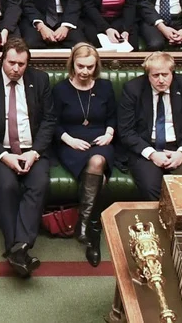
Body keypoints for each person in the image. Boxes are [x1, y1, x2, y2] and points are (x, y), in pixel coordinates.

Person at [0, 38, 55, 279]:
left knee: (38, 183)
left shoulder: (40, 80)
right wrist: (4, 156)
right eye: (11, 63)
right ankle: (18, 248)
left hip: (32, 149)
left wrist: (34, 152)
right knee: (7, 185)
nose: (16, 68)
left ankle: (17, 249)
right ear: (2, 60)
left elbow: (49, 120)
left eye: (21, 64)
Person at [53, 44, 116, 266]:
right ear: (72, 64)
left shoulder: (105, 87)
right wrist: (69, 140)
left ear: (96, 66)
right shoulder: (60, 89)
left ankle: (83, 221)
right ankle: (93, 231)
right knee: (101, 179)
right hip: (71, 143)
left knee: (97, 161)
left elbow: (113, 117)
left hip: (100, 141)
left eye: (90, 67)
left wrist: (109, 134)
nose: (85, 71)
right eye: (80, 66)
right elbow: (52, 123)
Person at [117, 51, 182, 202]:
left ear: (172, 73)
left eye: (165, 75)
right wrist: (152, 154)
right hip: (146, 147)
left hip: (179, 146)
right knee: (151, 187)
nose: (161, 80)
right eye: (155, 75)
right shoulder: (133, 89)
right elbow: (126, 131)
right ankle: (163, 217)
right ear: (148, 75)